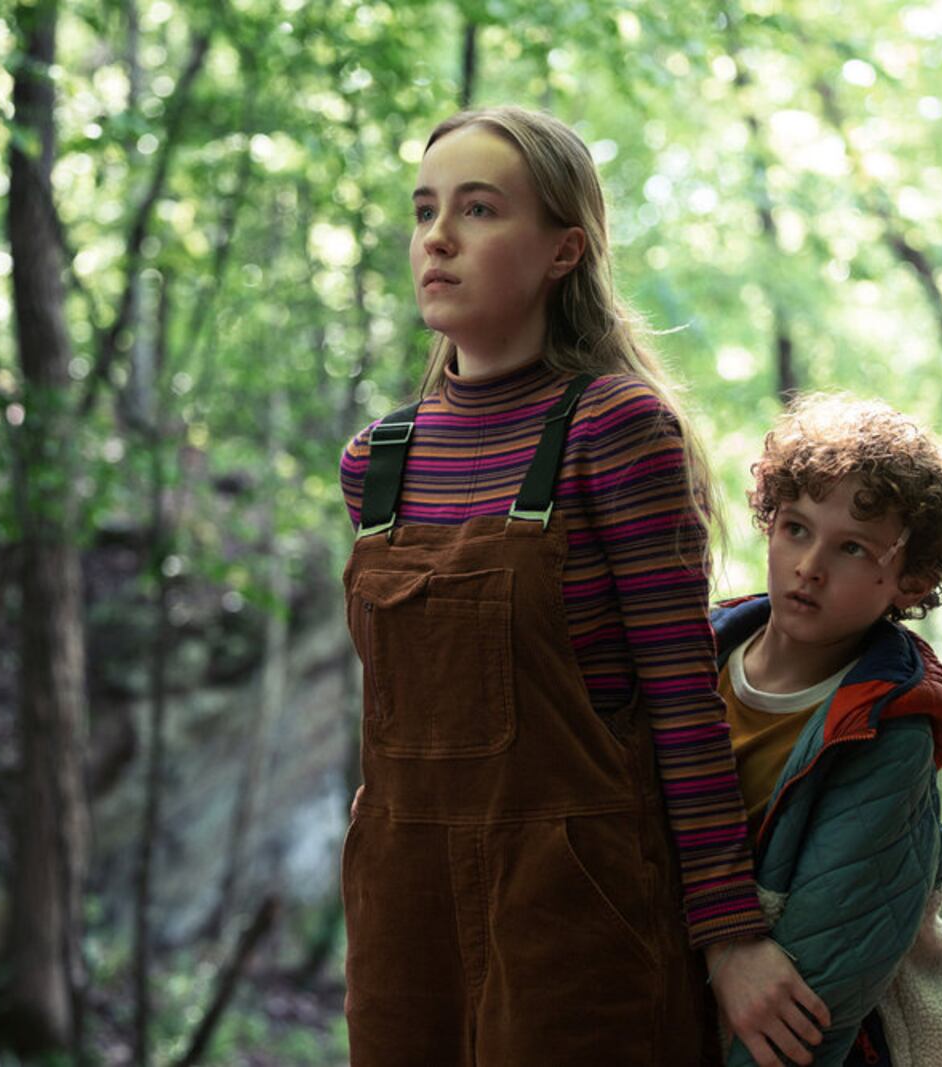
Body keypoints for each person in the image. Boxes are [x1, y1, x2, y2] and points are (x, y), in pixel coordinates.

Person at [338, 105, 825, 1066]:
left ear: (565, 251)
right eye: (426, 209)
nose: (437, 236)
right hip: (403, 917)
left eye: (479, 210)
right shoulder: (377, 462)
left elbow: (684, 698)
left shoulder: (617, 429)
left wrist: (729, 938)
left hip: (579, 912)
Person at [711, 393, 942, 1065]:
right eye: (796, 528)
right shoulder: (693, 661)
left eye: (853, 547)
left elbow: (807, 1004)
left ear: (911, 581)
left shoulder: (890, 730)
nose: (810, 565)